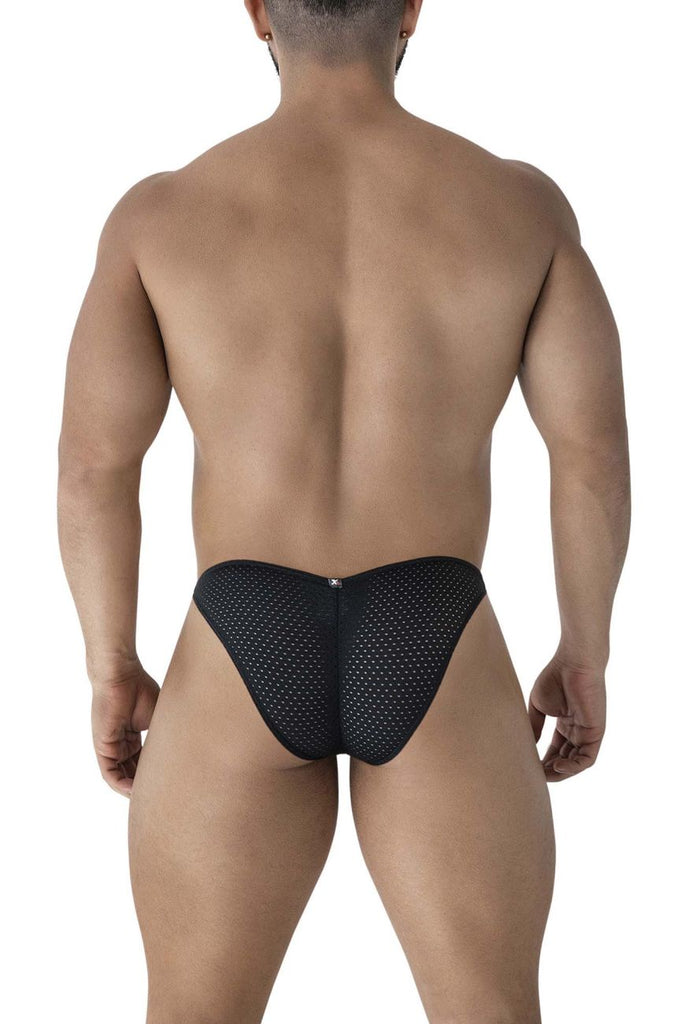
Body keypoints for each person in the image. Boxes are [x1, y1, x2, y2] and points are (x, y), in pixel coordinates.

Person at [56, 1, 631, 1021]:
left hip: (240, 631)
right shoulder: (520, 208)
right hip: (433, 623)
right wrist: (583, 653)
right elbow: (588, 455)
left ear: (256, 13)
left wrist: (112, 664)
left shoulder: (161, 218)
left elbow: (95, 467)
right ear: (411, 9)